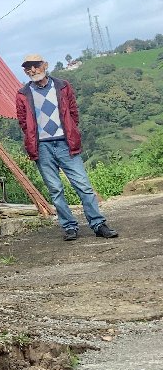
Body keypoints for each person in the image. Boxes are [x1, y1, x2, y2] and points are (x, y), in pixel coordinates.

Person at [14, 53, 118, 241]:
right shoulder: (23, 94)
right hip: (42, 148)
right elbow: (23, 121)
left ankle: (98, 224)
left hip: (65, 143)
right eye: (28, 67)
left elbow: (73, 112)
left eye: (36, 65)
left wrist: (71, 131)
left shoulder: (62, 86)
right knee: (55, 189)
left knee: (83, 186)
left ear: (45, 65)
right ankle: (69, 226)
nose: (32, 70)